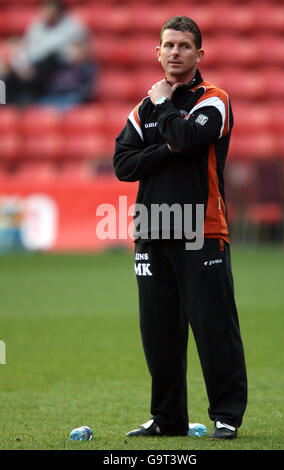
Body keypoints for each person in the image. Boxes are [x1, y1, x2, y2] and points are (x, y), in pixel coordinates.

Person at [113, 16, 247, 440]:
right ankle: (167, 419)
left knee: (213, 326)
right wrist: (167, 146)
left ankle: (226, 416)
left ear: (198, 54)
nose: (175, 52)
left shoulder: (215, 98)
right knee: (159, 331)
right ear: (158, 52)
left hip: (201, 228)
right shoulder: (141, 109)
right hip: (151, 228)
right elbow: (122, 164)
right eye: (168, 45)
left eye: (184, 46)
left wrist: (167, 114)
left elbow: (190, 138)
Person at [1, 0, 88, 105]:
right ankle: (5, 102)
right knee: (5, 71)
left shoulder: (73, 26)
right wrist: (22, 66)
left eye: (50, 9)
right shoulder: (37, 25)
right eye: (45, 9)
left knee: (50, 58)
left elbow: (78, 53)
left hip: (55, 67)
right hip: (33, 66)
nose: (47, 12)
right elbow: (27, 47)